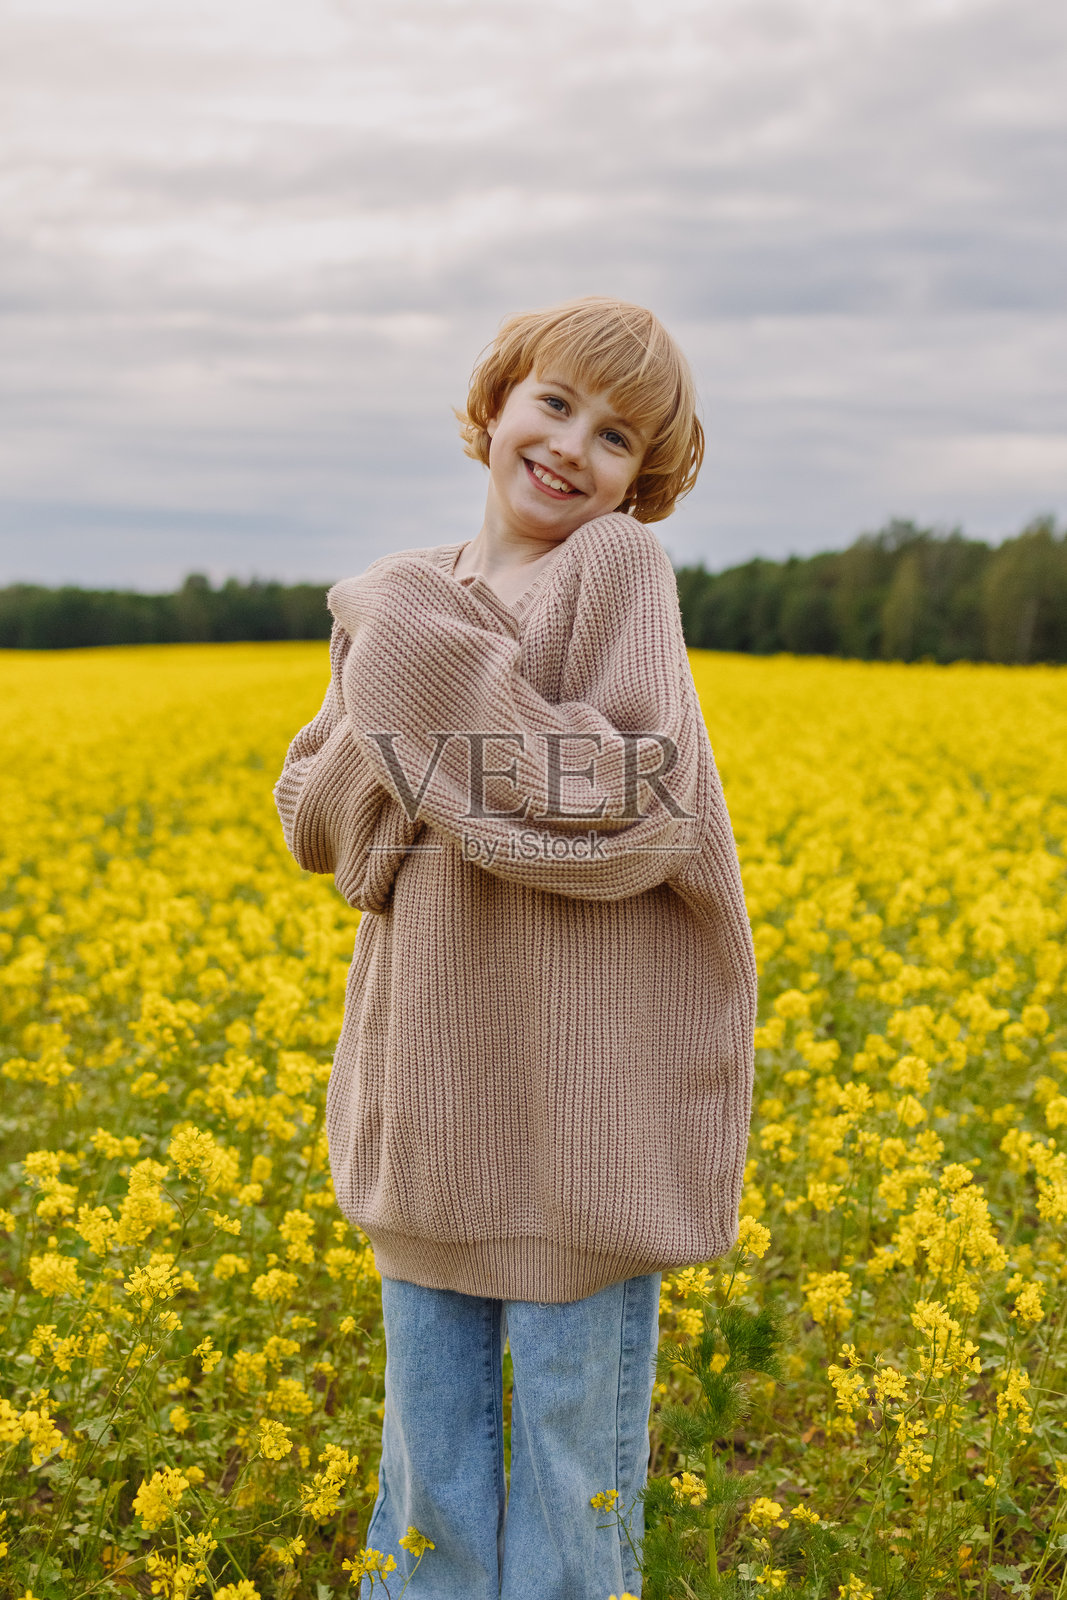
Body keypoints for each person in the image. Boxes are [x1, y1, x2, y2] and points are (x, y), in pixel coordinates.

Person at [273, 296, 757, 1600]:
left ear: (641, 485)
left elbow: (633, 809)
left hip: (577, 1133)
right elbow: (325, 828)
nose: (574, 449)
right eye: (556, 404)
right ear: (493, 406)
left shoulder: (607, 573)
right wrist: (412, 705)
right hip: (429, 1112)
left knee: (564, 1496)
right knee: (426, 1501)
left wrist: (416, 698)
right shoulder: (411, 600)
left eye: (619, 440)